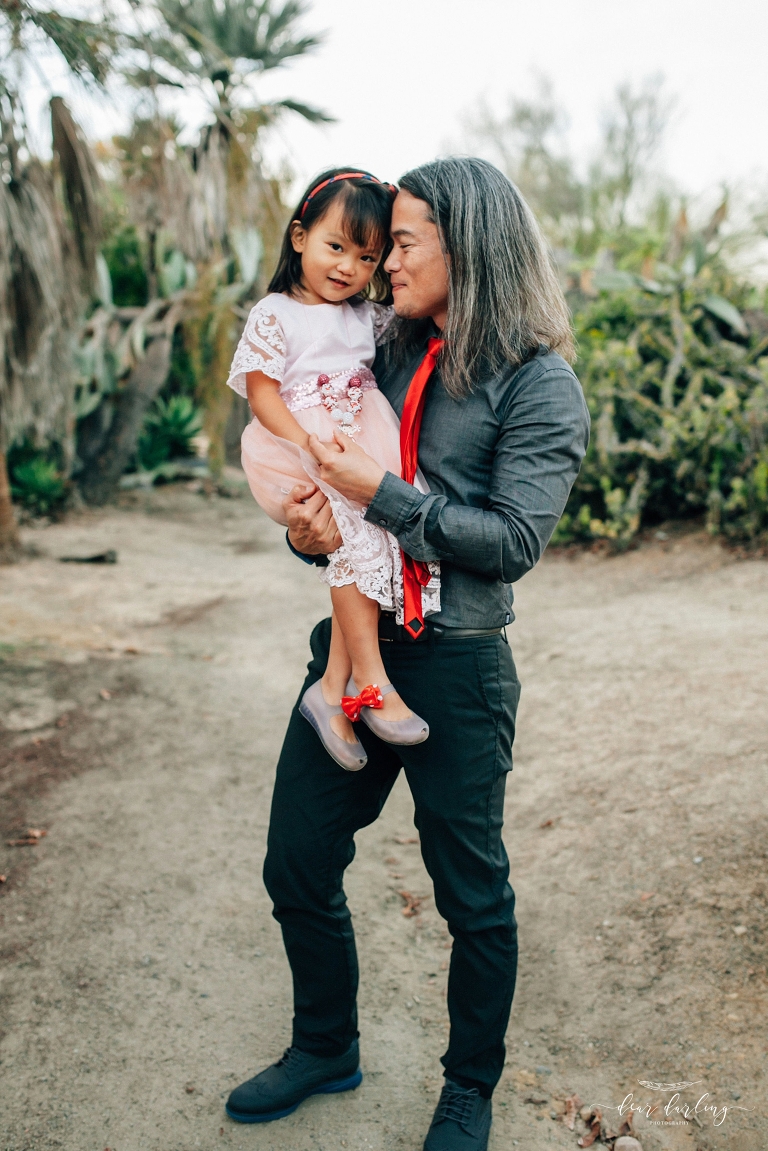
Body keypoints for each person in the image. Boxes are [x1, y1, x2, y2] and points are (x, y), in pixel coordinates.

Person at [225, 158, 590, 1151]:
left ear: (466, 249)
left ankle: (468, 1087)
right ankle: (324, 1046)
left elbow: (513, 540)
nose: (384, 263)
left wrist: (381, 494)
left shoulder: (539, 383)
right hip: (352, 651)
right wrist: (305, 530)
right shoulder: (377, 345)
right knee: (297, 860)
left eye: (406, 243)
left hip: (458, 664)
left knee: (472, 895)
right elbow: (320, 485)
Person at [226, 168, 437, 772]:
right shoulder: (275, 313)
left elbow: (420, 318)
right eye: (336, 246)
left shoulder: (364, 315)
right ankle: (371, 680)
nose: (348, 267)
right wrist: (307, 446)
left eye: (367, 258)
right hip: (302, 442)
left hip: (361, 439)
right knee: (353, 543)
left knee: (380, 541)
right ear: (300, 237)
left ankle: (331, 687)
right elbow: (262, 394)